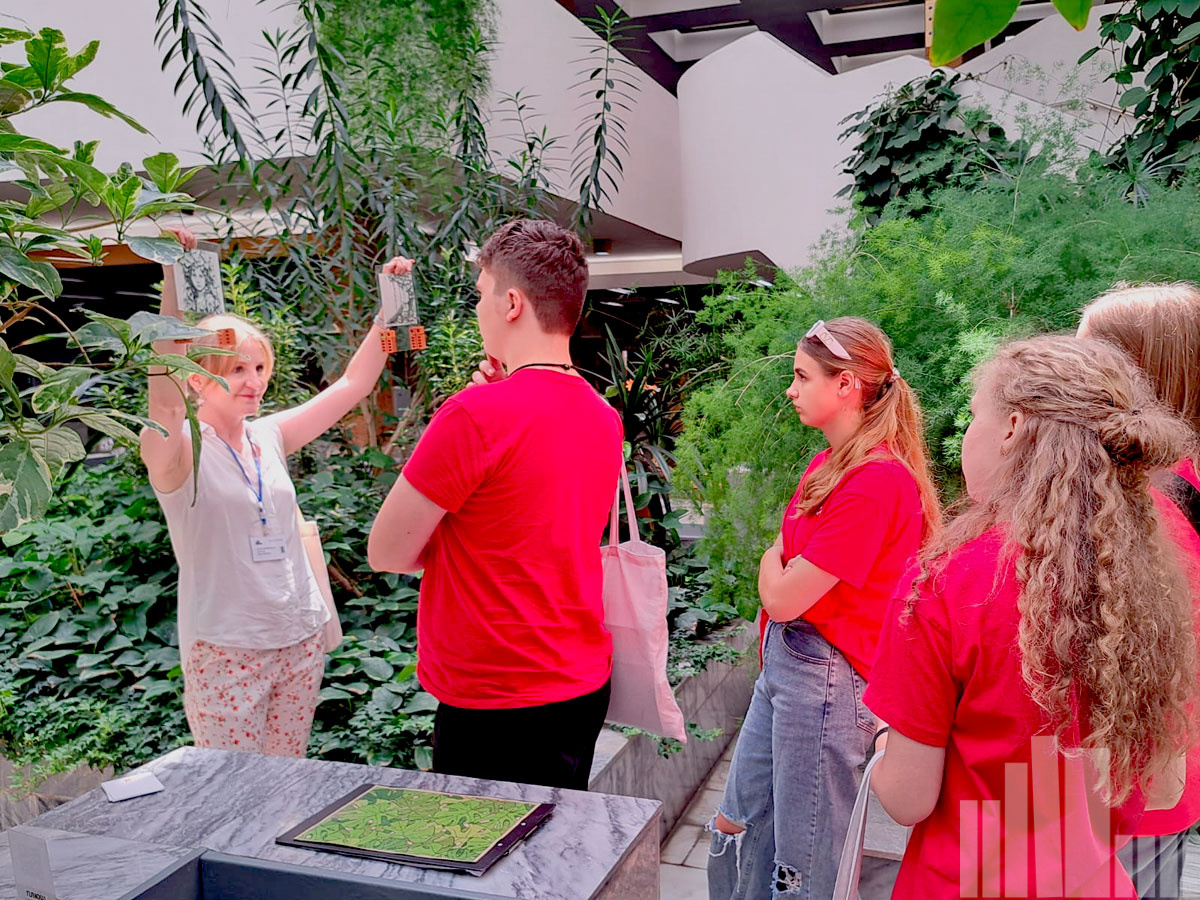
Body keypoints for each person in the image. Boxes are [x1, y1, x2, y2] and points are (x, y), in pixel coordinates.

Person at [865, 335, 1198, 900]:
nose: (967, 434)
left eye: (975, 415)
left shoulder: (944, 581)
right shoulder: (1156, 581)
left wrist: (882, 740)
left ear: (1013, 428)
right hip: (1089, 883)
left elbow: (906, 798)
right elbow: (1164, 790)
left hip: (965, 881)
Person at [367, 218, 622, 790]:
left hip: (495, 694)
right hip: (579, 681)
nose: (477, 308)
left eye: (481, 294)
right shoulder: (602, 415)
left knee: (489, 846)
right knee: (557, 839)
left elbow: (386, 551)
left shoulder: (472, 416)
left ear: (511, 304)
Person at [140, 226, 410, 756]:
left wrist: (390, 309)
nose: (254, 381)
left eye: (260, 367)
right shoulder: (177, 450)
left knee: (287, 779)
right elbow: (164, 401)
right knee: (232, 787)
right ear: (196, 377)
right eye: (237, 369)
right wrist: (172, 276)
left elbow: (353, 385)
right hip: (226, 649)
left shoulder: (269, 435)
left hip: (299, 639)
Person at [707, 317, 941, 900]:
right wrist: (778, 569)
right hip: (790, 664)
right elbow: (783, 571)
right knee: (739, 821)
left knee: (802, 866)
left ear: (846, 385)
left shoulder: (876, 482)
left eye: (801, 376)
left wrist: (774, 567)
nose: (791, 390)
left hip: (825, 679)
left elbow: (784, 593)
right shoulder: (829, 465)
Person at [1078, 282, 1200, 899]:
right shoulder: (1179, 483)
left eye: (1087, 359)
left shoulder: (1141, 507)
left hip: (1121, 790)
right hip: (1155, 780)